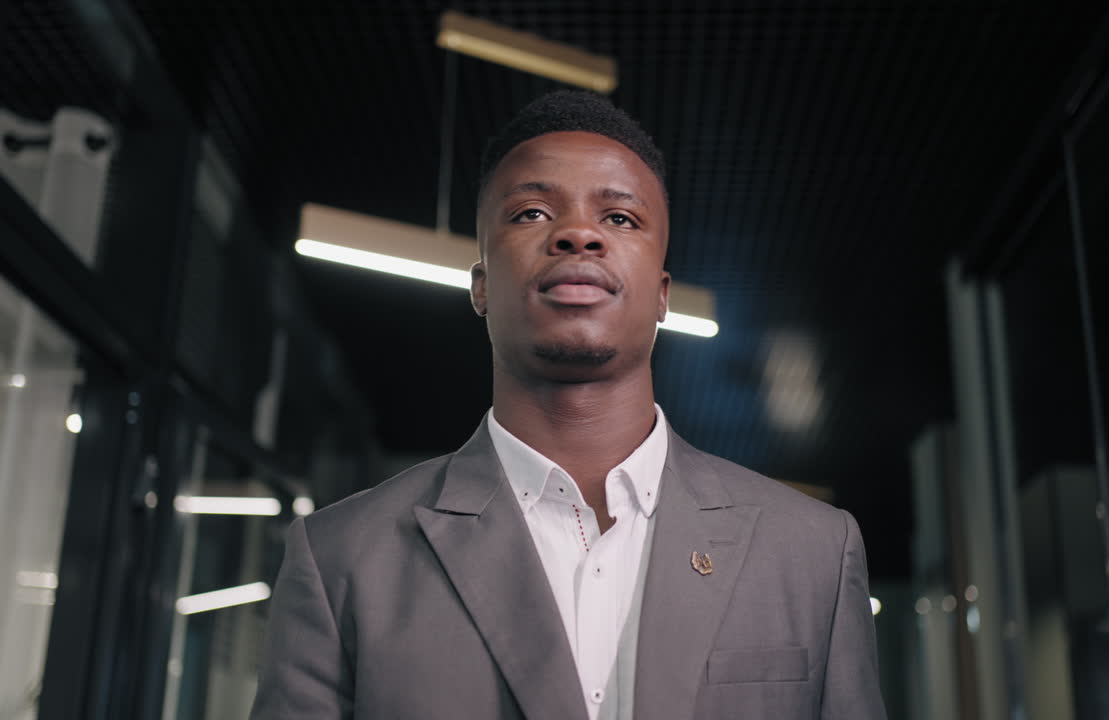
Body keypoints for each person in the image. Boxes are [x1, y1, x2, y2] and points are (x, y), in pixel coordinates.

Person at [251, 90, 885, 720]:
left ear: (662, 295)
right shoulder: (339, 557)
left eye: (620, 219)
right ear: (480, 286)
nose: (578, 233)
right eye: (531, 213)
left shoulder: (814, 550)